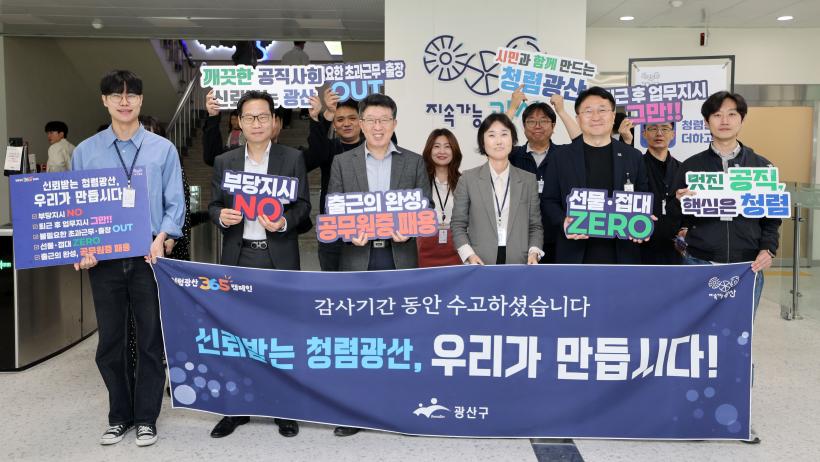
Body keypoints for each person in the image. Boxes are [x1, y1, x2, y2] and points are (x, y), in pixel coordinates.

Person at [72, 70, 185, 447]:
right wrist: (81, 246)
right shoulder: (85, 151)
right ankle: (119, 416)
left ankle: (147, 417)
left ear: (140, 100)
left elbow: (175, 203)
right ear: (104, 101)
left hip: (148, 258)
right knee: (111, 342)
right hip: (103, 261)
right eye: (116, 95)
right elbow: (76, 208)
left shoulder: (162, 149)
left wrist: (163, 237)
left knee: (150, 340)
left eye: (132, 95)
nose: (125, 101)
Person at [208, 90, 310, 439]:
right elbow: (213, 205)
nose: (256, 123)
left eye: (263, 116)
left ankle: (283, 408)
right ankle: (236, 409)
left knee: (281, 335)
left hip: (277, 255)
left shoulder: (292, 158)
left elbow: (303, 206)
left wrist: (283, 222)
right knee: (237, 335)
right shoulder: (225, 161)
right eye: (249, 117)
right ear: (238, 121)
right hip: (240, 256)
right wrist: (221, 216)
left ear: (275, 121)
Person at [673, 91, 781, 313]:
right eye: (717, 115)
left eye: (731, 114)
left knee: (740, 329)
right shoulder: (690, 167)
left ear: (742, 119)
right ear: (706, 122)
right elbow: (675, 216)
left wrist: (768, 249)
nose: (724, 121)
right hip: (700, 261)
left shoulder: (762, 167)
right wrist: (678, 202)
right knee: (698, 328)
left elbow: (771, 218)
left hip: (747, 265)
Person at [541, 86, 649, 264]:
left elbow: (643, 196)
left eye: (602, 110)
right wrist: (563, 222)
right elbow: (549, 200)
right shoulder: (560, 157)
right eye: (588, 111)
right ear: (578, 118)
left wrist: (644, 218)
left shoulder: (633, 156)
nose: (596, 117)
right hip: (574, 254)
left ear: (613, 116)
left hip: (622, 254)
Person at [327, 93, 431, 273]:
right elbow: (333, 208)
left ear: (394, 124)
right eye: (370, 120)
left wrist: (410, 230)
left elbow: (427, 205)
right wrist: (348, 233)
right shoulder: (342, 163)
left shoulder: (414, 162)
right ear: (361, 124)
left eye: (384, 120)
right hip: (356, 257)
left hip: (401, 257)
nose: (377, 127)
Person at [451, 113, 543, 265]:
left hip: (520, 262)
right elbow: (458, 224)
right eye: (492, 135)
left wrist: (534, 252)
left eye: (504, 134)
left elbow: (535, 226)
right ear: (483, 142)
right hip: (479, 263)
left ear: (513, 140)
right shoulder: (468, 179)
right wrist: (469, 255)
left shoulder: (528, 180)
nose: (499, 141)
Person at [505, 88, 581, 263]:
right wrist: (513, 107)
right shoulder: (513, 155)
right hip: (520, 237)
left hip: (557, 235)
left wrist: (561, 111)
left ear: (553, 126)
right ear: (523, 127)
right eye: (531, 121)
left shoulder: (562, 155)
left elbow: (580, 143)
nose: (537, 125)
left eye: (544, 121)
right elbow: (494, 141)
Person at [305, 89, 364, 271]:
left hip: (366, 227)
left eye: (352, 118)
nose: (346, 123)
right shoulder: (329, 148)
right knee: (332, 283)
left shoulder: (373, 149)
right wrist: (323, 117)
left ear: (361, 122)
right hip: (332, 229)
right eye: (340, 119)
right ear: (334, 125)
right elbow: (312, 157)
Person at [637, 122, 682, 264]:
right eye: (653, 128)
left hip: (674, 250)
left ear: (673, 134)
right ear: (644, 134)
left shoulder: (682, 169)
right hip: (640, 245)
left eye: (665, 128)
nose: (659, 133)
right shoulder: (635, 167)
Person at [417, 128, 463, 267]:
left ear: (454, 151)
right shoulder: (419, 181)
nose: (442, 151)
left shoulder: (464, 182)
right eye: (436, 146)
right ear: (429, 150)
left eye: (447, 147)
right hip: (425, 248)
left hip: (457, 248)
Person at [281, 41, 311, 127]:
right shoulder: (303, 55)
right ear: (302, 44)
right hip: (300, 81)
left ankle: (286, 123)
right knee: (304, 95)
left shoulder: (285, 55)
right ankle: (304, 114)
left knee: (288, 101)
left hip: (287, 81)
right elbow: (306, 70)